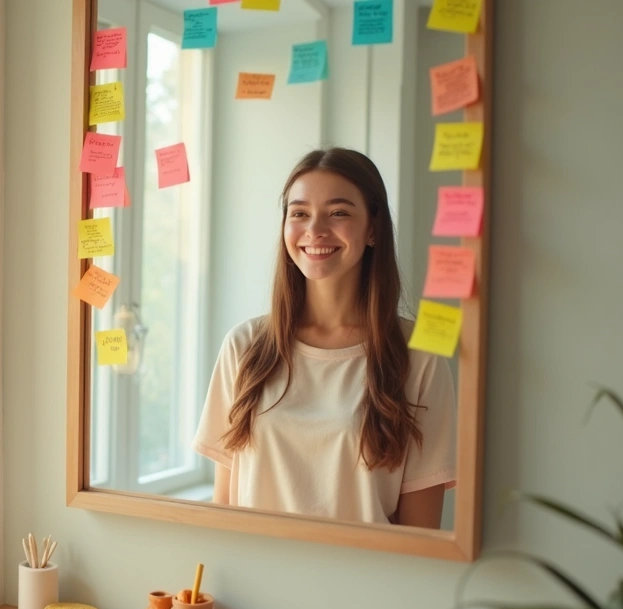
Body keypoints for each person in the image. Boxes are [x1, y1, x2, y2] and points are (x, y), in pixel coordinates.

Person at [191, 148, 456, 529]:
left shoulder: (419, 357)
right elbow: (224, 509)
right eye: (299, 213)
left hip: (365, 585)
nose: (315, 230)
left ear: (373, 229)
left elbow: (420, 534)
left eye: (339, 213)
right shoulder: (244, 346)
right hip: (254, 582)